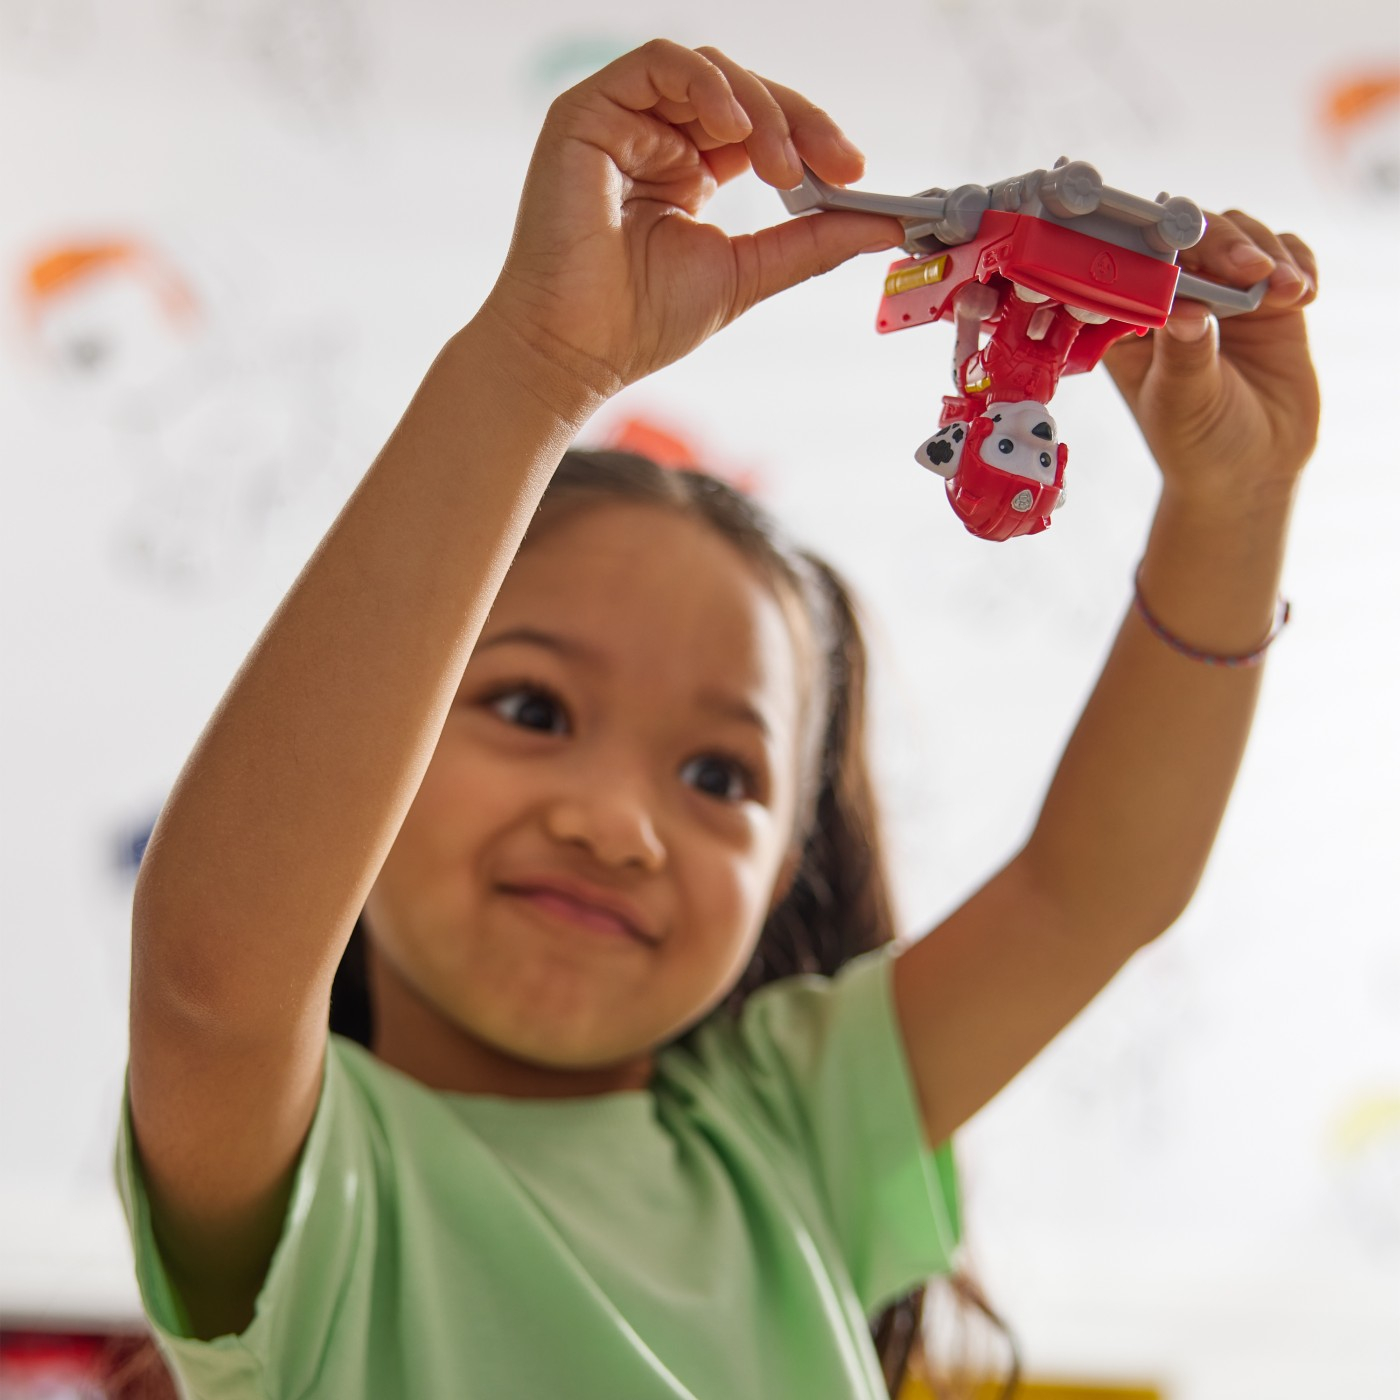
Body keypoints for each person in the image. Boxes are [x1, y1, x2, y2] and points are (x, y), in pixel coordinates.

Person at [112, 38, 1320, 1400]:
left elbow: (1090, 892)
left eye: (718, 776)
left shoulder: (789, 1130)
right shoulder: (304, 1180)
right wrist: (537, 362)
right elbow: (211, 983)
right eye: (531, 707)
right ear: (378, 749)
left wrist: (1236, 506)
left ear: (787, 866)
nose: (615, 826)